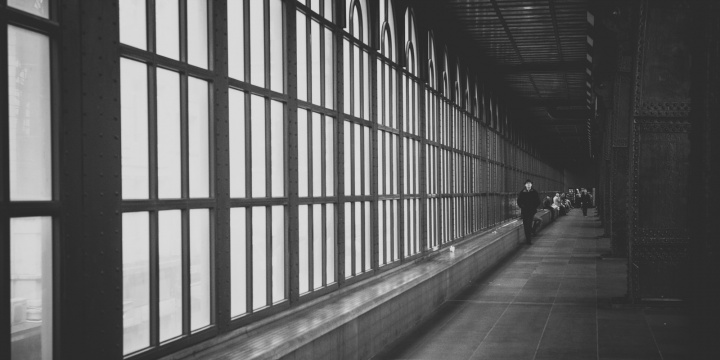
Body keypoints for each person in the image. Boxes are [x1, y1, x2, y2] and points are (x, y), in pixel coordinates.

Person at [517, 179, 540, 244]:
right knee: (526, 225)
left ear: (531, 184)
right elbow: (519, 201)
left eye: (529, 183)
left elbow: (538, 201)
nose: (528, 184)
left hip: (531, 211)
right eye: (527, 183)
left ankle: (528, 240)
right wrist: (522, 206)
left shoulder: (534, 192)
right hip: (524, 211)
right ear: (525, 185)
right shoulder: (522, 192)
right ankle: (528, 239)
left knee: (529, 224)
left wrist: (533, 207)